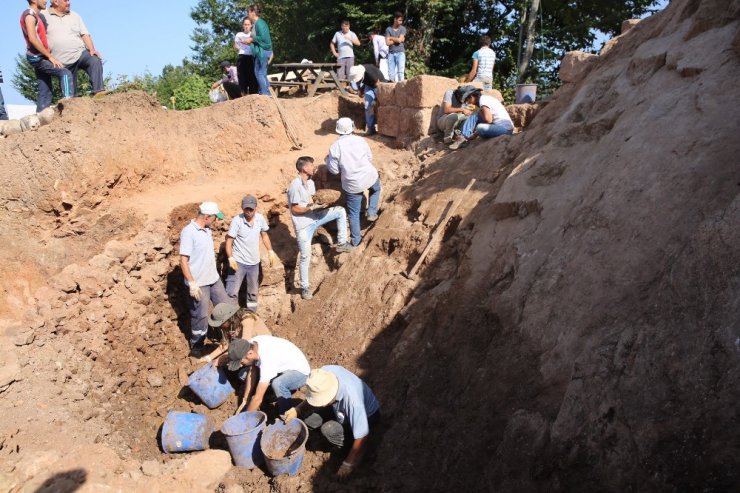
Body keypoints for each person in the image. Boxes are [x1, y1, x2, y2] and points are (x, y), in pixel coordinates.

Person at [282, 366, 381, 478]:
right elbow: (315, 394)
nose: (319, 404)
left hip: (368, 417)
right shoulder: (324, 374)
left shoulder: (354, 401)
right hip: (339, 407)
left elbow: (362, 435)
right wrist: (297, 409)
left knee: (328, 429)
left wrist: (348, 463)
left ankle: (349, 447)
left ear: (329, 396)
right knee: (310, 420)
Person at [287, 156, 353, 300]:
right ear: (304, 168)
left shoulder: (310, 183)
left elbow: (313, 200)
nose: (313, 167)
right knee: (305, 256)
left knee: (340, 211)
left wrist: (320, 204)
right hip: (303, 226)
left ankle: (342, 242)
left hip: (315, 217)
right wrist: (311, 208)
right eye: (311, 165)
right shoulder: (295, 186)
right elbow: (295, 209)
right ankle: (304, 288)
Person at [179, 201, 233, 355]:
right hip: (199, 283)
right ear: (207, 217)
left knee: (226, 307)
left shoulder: (207, 229)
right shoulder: (189, 232)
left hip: (213, 279)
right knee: (200, 316)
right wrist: (192, 283)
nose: (216, 220)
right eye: (215, 217)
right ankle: (197, 345)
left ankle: (228, 337)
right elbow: (183, 261)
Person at [326, 117, 382, 247]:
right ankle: (372, 212)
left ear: (337, 130)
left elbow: (334, 170)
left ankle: (356, 241)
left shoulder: (335, 147)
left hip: (352, 184)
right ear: (352, 126)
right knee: (376, 189)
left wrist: (327, 161)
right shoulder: (361, 140)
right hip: (369, 176)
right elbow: (369, 157)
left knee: (354, 214)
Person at [223, 336, 310, 414]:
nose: (241, 365)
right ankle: (270, 392)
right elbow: (252, 371)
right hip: (282, 365)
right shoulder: (249, 344)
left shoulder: (267, 360)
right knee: (243, 375)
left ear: (250, 353)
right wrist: (246, 399)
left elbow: (258, 399)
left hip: (300, 373)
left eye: (241, 362)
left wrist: (246, 418)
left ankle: (285, 414)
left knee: (278, 384)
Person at [225, 194, 279, 312]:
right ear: (242, 208)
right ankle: (232, 316)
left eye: (251, 209)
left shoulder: (260, 219)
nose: (248, 211)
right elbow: (229, 241)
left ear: (255, 208)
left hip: (254, 263)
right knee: (232, 292)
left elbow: (264, 235)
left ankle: (251, 314)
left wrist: (270, 251)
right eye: (246, 209)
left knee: (253, 292)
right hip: (238, 262)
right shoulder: (237, 221)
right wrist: (230, 258)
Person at [44, 0, 106, 97]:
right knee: (72, 97)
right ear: (55, 2)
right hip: (61, 61)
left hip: (80, 53)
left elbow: (84, 34)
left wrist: (92, 49)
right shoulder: (43, 15)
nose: (69, 2)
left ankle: (99, 92)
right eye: (66, 0)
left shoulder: (75, 16)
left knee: (94, 60)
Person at [20, 0, 73, 112]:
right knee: (65, 73)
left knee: (45, 89)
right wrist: (50, 56)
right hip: (37, 57)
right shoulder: (30, 15)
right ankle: (68, 105)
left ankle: (41, 115)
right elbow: (33, 39)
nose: (46, 1)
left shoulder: (36, 15)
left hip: (38, 57)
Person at [197, 302, 272, 364]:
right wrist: (208, 358)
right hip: (251, 350)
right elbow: (225, 345)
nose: (219, 326)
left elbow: (243, 345)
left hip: (265, 349)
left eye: (220, 323)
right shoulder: (229, 325)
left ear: (228, 318)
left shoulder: (247, 319)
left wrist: (221, 359)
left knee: (241, 374)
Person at [449, 88, 514, 150]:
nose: (468, 103)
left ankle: (463, 138)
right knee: (476, 114)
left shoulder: (483, 101)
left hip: (505, 130)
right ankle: (463, 136)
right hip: (503, 127)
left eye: (467, 100)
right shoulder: (485, 98)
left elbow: (489, 120)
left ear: (471, 97)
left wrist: (475, 134)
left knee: (480, 127)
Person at [348, 64, 387, 136]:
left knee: (378, 105)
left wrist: (375, 99)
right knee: (368, 106)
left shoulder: (370, 73)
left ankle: (384, 129)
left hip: (380, 85)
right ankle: (371, 129)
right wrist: (360, 90)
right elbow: (358, 82)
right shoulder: (357, 72)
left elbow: (379, 86)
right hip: (368, 86)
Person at [247, 5, 273, 96]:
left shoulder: (260, 23)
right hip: (261, 52)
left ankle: (265, 94)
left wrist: (251, 39)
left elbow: (264, 38)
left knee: (259, 73)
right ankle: (268, 93)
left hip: (263, 52)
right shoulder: (256, 24)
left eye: (248, 12)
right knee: (263, 73)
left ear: (253, 12)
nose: (248, 15)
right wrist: (248, 41)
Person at [235, 17, 259, 96]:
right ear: (243, 25)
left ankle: (253, 96)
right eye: (245, 24)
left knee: (252, 77)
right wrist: (238, 48)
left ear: (251, 25)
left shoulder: (253, 35)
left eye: (248, 24)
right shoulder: (239, 34)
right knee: (242, 78)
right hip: (242, 57)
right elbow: (235, 45)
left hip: (251, 57)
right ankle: (243, 95)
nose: (246, 26)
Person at [384, 12, 407, 82]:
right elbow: (387, 43)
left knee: (400, 73)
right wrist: (397, 39)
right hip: (391, 54)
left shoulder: (403, 29)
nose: (401, 22)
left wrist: (390, 37)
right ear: (395, 19)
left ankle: (402, 91)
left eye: (402, 20)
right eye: (399, 20)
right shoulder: (388, 29)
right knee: (391, 75)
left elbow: (400, 40)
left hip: (400, 53)